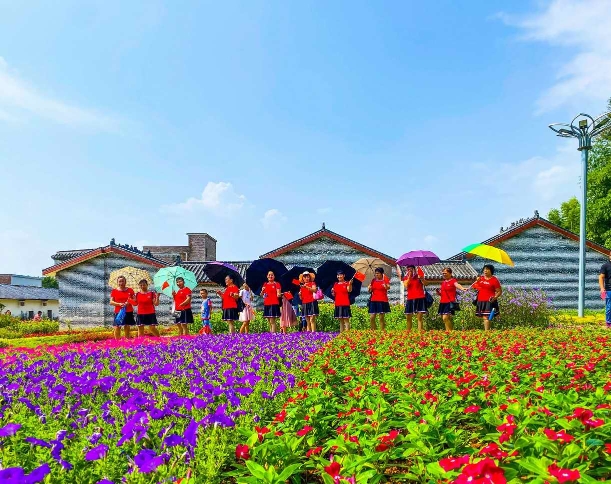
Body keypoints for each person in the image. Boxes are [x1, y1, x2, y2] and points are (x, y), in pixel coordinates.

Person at [473, 264, 502, 331]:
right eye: (484, 269)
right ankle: (492, 330)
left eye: (487, 269)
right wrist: (477, 281)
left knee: (486, 317)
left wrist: (495, 297)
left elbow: (499, 291)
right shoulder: (480, 278)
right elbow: (475, 288)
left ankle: (487, 332)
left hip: (489, 301)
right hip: (480, 300)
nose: (485, 271)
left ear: (491, 271)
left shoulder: (494, 280)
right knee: (485, 317)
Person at [399, 265, 428, 331]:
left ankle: (420, 331)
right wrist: (409, 277)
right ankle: (408, 331)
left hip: (420, 297)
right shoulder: (406, 277)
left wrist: (422, 279)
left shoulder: (418, 276)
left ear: (414, 269)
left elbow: (426, 284)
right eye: (408, 269)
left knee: (419, 316)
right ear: (407, 270)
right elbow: (406, 285)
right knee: (408, 316)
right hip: (410, 298)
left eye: (411, 269)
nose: (410, 270)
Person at [600, 253, 611, 329]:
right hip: (609, 290)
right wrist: (602, 288)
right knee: (609, 307)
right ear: (609, 256)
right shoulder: (605, 266)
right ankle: (609, 323)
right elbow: (601, 277)